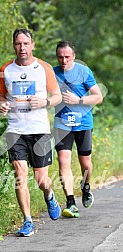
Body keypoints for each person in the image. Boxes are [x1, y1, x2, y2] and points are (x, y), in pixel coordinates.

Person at [0, 28, 62, 236]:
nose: (22, 48)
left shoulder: (43, 68)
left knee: (41, 179)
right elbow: (1, 96)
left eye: (26, 43)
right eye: (18, 44)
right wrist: (3, 105)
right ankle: (27, 221)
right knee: (20, 174)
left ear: (32, 45)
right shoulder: (6, 69)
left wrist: (44, 102)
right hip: (15, 129)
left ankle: (49, 195)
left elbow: (57, 97)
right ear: (13, 45)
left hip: (39, 129)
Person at [53, 41, 103, 218]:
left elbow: (98, 97)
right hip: (62, 123)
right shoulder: (52, 73)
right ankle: (70, 202)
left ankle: (86, 186)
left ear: (73, 56)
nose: (64, 60)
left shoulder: (83, 71)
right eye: (60, 57)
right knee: (63, 160)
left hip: (83, 123)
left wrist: (78, 101)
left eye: (67, 57)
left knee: (85, 163)